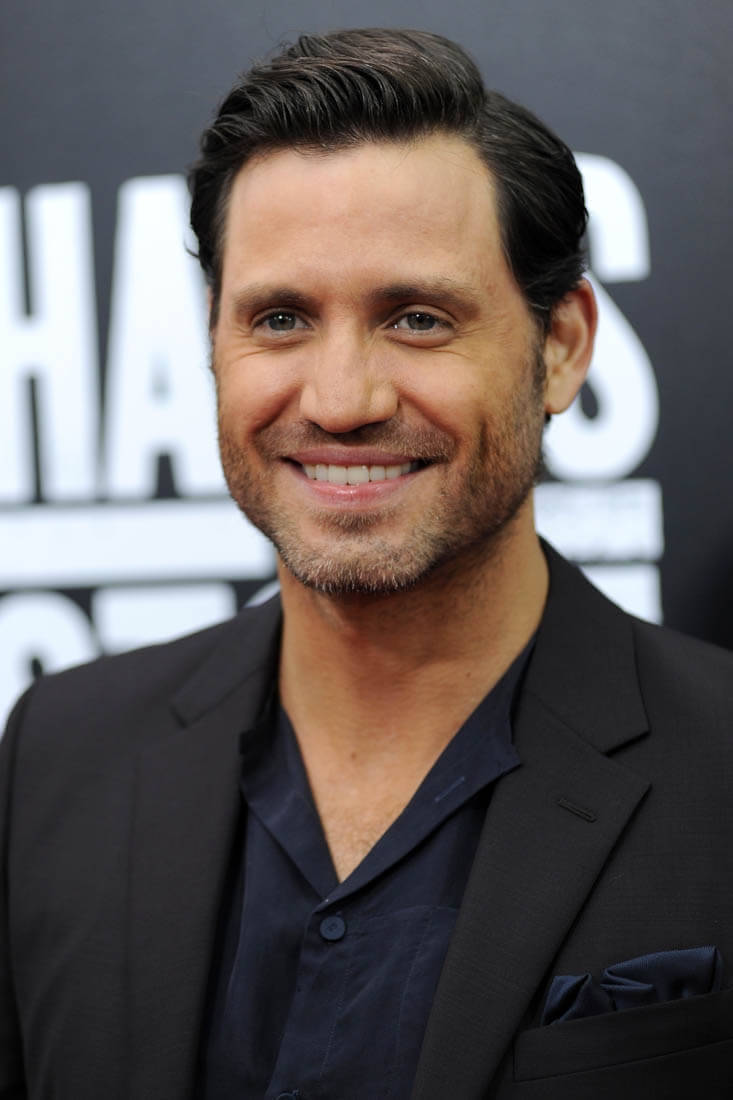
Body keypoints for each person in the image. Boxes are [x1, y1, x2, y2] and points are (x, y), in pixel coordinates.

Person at [1, 27, 732, 1100]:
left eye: (418, 318)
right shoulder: (56, 758)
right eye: (280, 318)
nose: (341, 400)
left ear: (562, 345)